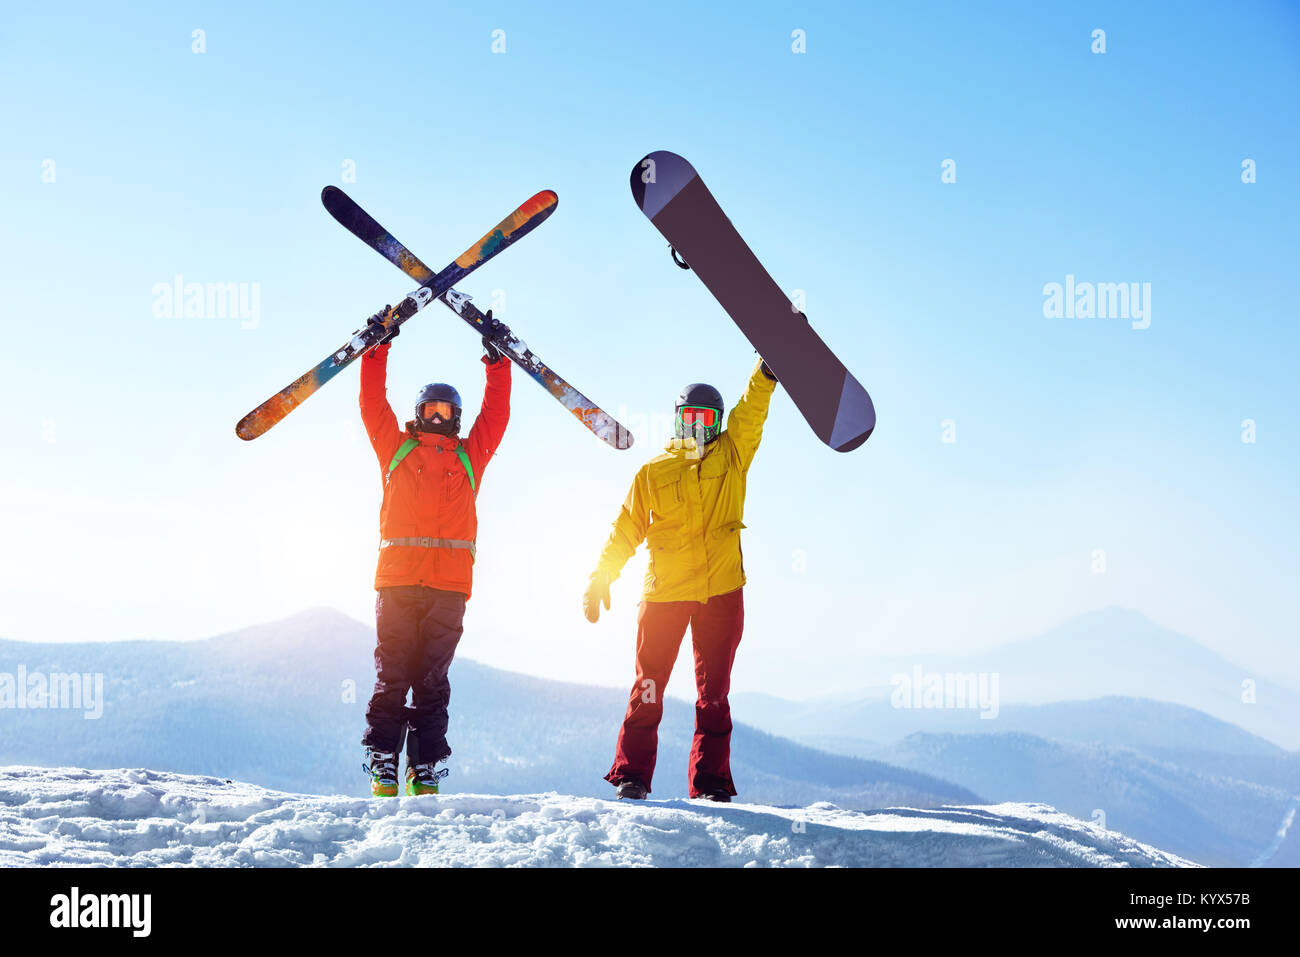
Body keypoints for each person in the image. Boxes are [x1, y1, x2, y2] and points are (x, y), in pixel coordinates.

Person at [583, 357, 778, 801]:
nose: (697, 427)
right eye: (689, 417)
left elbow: (752, 410)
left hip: (720, 592)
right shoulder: (653, 472)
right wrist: (601, 578)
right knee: (648, 688)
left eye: (706, 419)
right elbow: (625, 529)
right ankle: (631, 775)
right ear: (677, 419)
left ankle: (710, 784)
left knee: (714, 696)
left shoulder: (733, 454)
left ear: (717, 423)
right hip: (664, 595)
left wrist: (766, 371)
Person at [358, 308, 510, 796]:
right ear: (419, 413)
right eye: (431, 410)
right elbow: (370, 404)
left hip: (448, 590)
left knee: (432, 682)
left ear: (457, 418)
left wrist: (497, 362)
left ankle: (423, 767)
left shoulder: (471, 456)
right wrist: (378, 348)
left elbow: (498, 416)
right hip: (398, 584)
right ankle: (383, 758)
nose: (438, 417)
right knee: (393, 674)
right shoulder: (395, 450)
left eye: (446, 412)